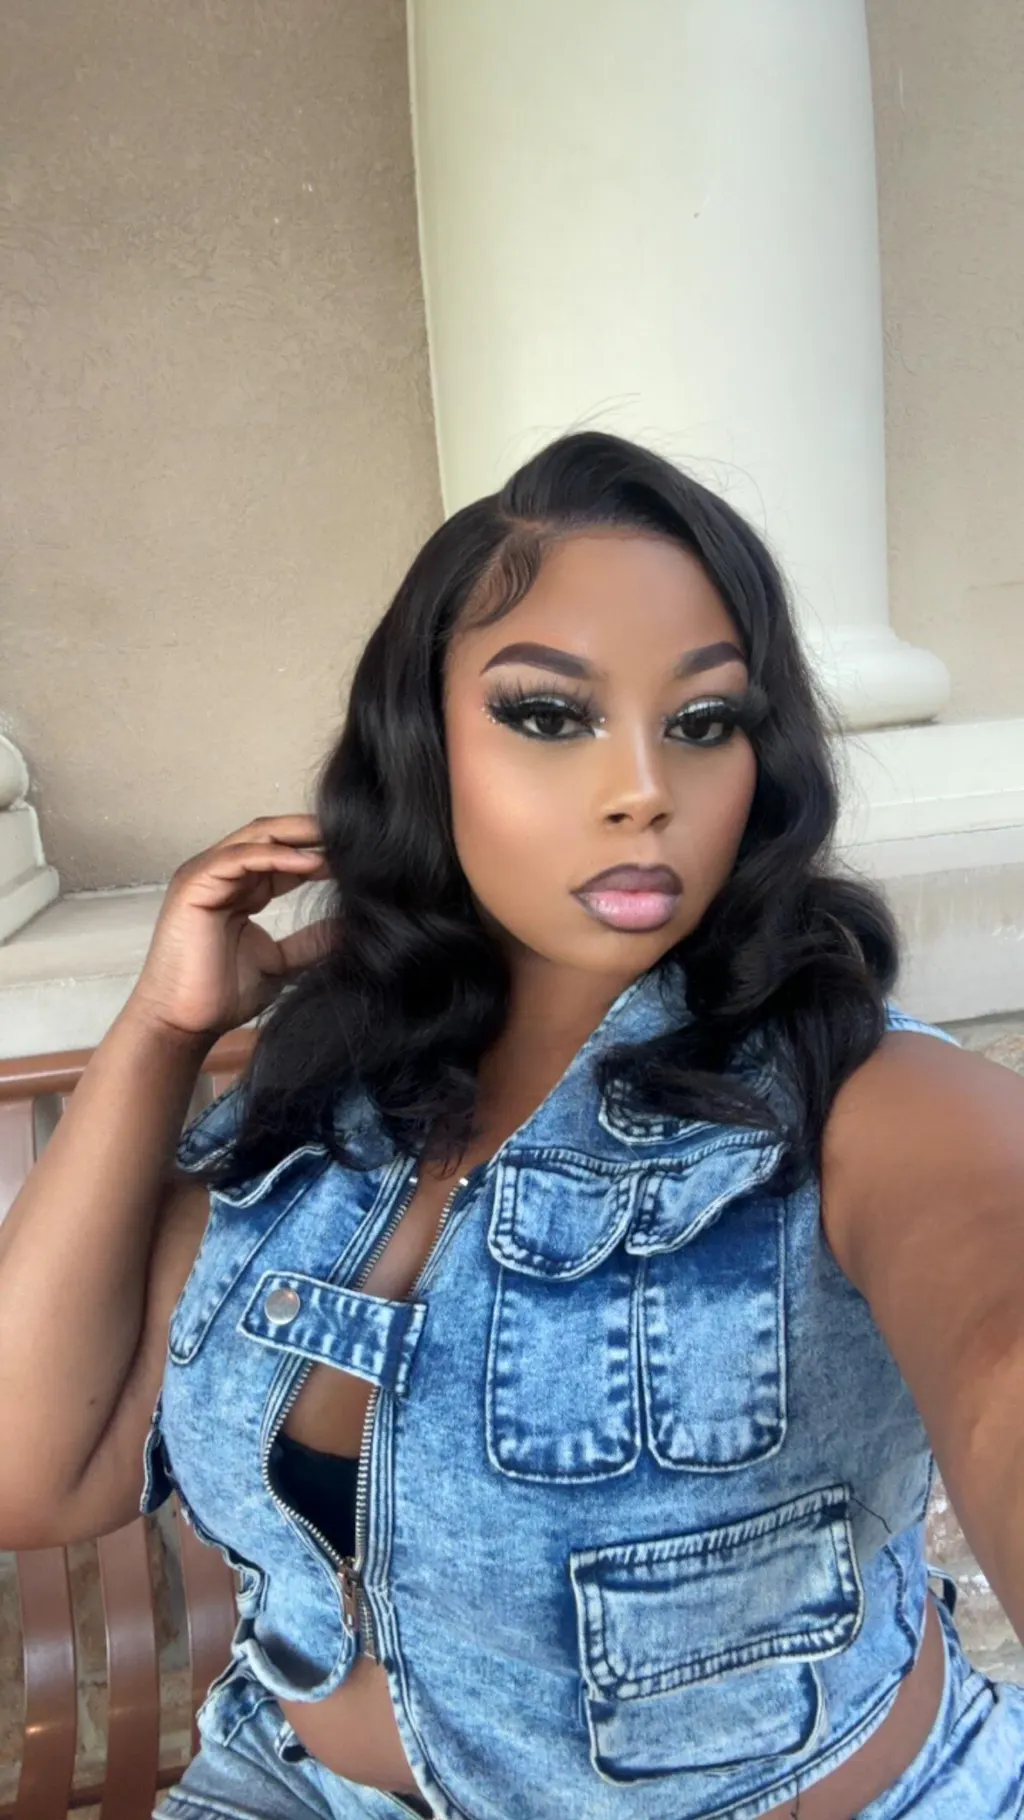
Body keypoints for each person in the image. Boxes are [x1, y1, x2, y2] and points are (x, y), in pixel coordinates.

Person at [2, 432, 1023, 1820]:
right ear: (423, 747)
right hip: (296, 1787)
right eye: (550, 715)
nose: (643, 787)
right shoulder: (320, 1105)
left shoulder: (858, 1096)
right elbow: (35, 1475)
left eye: (704, 722)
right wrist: (161, 1032)